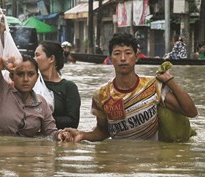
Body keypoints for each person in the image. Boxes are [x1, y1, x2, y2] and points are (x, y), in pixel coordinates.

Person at [58, 32, 197, 142]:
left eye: (128, 53)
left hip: (152, 158)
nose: (123, 58)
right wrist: (82, 135)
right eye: (117, 54)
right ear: (110, 59)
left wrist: (170, 81)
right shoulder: (101, 95)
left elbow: (191, 111)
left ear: (136, 57)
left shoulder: (153, 86)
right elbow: (103, 132)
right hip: (119, 159)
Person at [0, 54, 59, 138]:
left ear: (37, 77)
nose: (26, 79)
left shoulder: (41, 103)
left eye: (31, 74)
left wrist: (62, 135)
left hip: (28, 150)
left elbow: (51, 133)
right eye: (20, 74)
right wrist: (6, 63)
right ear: (11, 76)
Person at [35, 40, 80, 129]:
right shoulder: (30, 83)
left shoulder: (68, 87)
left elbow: (73, 122)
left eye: (37, 55)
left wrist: (41, 118)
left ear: (51, 59)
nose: (34, 59)